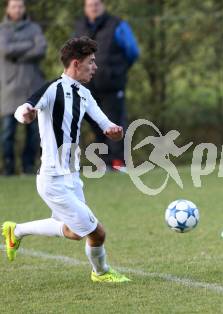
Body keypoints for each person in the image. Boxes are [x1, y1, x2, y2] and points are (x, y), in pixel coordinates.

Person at [2, 37, 130, 283]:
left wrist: (114, 129)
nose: (95, 67)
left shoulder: (84, 93)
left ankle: (16, 230)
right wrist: (25, 114)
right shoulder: (53, 89)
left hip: (72, 177)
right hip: (53, 179)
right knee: (98, 233)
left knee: (72, 232)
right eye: (91, 62)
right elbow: (22, 108)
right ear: (75, 63)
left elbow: (104, 123)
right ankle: (101, 273)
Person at [74, 0, 140, 169]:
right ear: (85, 7)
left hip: (112, 84)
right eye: (90, 5)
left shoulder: (117, 25)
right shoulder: (80, 27)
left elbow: (132, 51)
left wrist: (118, 70)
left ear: (102, 5)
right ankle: (104, 163)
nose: (93, 7)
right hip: (88, 85)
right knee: (96, 124)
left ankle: (119, 162)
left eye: (96, 4)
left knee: (115, 123)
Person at [0, 0, 47, 175]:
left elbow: (41, 49)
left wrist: (17, 52)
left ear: (24, 8)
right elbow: (5, 50)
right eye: (14, 6)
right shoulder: (2, 30)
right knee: (7, 133)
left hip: (32, 88)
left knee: (34, 132)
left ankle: (28, 167)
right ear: (8, 8)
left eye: (20, 6)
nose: (17, 9)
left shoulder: (34, 28)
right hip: (9, 89)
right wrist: (29, 46)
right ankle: (9, 168)